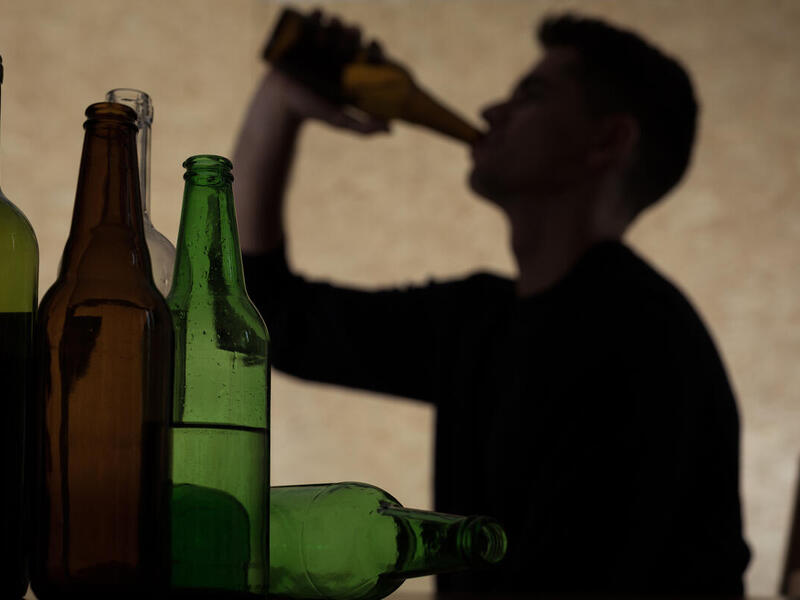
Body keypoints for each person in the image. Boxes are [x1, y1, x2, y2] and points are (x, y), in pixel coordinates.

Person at [233, 12, 751, 596]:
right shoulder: (479, 321)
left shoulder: (643, 343)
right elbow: (274, 318)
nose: (488, 113)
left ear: (607, 140)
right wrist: (280, 101)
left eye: (530, 95)